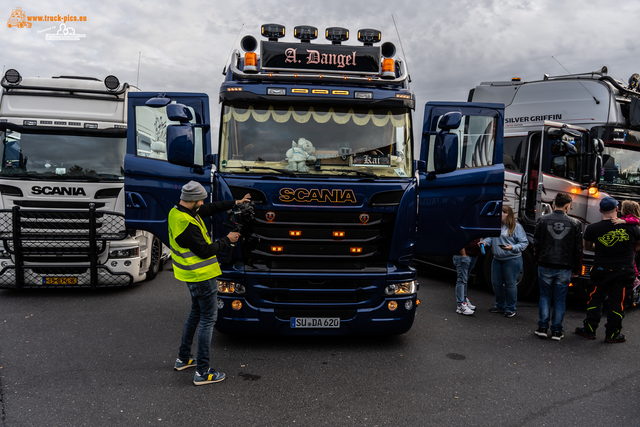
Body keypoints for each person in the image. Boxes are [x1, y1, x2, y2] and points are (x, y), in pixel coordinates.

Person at [170, 180, 250, 385]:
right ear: (194, 200)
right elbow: (205, 251)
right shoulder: (187, 224)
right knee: (207, 320)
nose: (203, 203)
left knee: (195, 314)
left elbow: (209, 209)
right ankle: (203, 372)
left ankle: (183, 358)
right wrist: (228, 239)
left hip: (192, 276)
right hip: (202, 277)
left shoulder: (178, 212)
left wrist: (235, 202)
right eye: (201, 199)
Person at [575, 196, 640, 343]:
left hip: (601, 269)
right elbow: (637, 246)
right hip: (624, 271)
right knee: (618, 302)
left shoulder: (592, 228)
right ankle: (613, 334)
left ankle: (590, 330)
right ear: (617, 209)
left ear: (600, 210)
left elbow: (588, 247)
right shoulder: (632, 228)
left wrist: (602, 246)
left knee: (595, 299)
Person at [533, 193, 582, 341]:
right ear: (567, 206)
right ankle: (556, 331)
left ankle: (542, 327)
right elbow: (577, 249)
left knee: (545, 296)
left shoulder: (542, 220)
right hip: (565, 265)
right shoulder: (575, 223)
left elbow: (536, 243)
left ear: (554, 204)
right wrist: (576, 269)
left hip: (545, 263)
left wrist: (538, 260)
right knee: (560, 299)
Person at [479, 205, 528, 318]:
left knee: (510, 285)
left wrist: (512, 247)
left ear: (507, 214)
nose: (497, 215)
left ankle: (511, 308)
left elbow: (524, 243)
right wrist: (485, 242)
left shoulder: (516, 227)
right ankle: (499, 305)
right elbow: (491, 238)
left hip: (512, 259)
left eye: (500, 213)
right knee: (496, 284)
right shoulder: (497, 226)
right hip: (497, 259)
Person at [453, 238, 481, 315]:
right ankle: (460, 305)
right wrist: (463, 254)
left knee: (465, 279)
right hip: (463, 255)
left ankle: (464, 300)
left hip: (473, 254)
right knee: (462, 280)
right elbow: (458, 238)